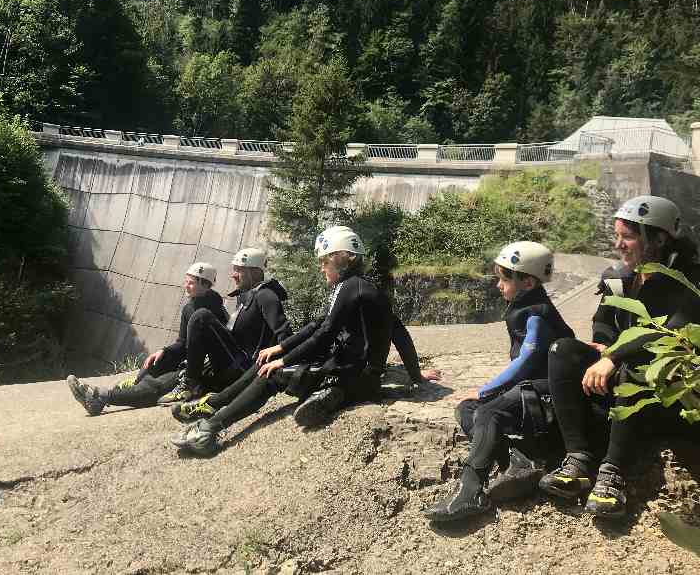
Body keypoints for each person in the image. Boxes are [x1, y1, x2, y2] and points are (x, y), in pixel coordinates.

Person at [539, 195, 700, 518]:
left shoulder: (690, 279)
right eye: (617, 236)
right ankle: (579, 461)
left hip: (670, 389)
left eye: (627, 237)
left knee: (635, 362)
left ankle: (613, 475)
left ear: (659, 238)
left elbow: (671, 331)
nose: (619, 245)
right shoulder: (621, 276)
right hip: (625, 375)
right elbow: (603, 318)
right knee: (562, 352)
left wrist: (613, 356)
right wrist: (601, 344)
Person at [172, 226, 394, 457]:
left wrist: (283, 360)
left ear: (338, 258)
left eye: (324, 262)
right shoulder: (367, 286)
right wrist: (279, 349)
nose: (321, 268)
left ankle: (208, 429)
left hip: (352, 373)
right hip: (361, 373)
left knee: (273, 374)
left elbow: (324, 334)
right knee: (271, 361)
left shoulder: (347, 287)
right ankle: (331, 393)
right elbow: (396, 333)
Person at [424, 241, 574, 522]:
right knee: (466, 408)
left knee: (487, 409)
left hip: (548, 394)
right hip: (531, 392)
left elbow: (525, 362)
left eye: (504, 279)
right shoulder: (526, 306)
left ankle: (470, 492)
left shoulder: (537, 314)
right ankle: (519, 459)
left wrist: (486, 390)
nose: (498, 286)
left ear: (527, 282)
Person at [67, 262, 229, 415]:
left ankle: (100, 397)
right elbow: (183, 342)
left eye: (191, 283)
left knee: (158, 385)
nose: (186, 286)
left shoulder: (215, 311)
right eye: (186, 281)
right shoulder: (189, 307)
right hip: (188, 359)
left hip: (201, 368)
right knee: (156, 362)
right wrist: (163, 351)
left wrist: (190, 371)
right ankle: (136, 384)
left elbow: (216, 348)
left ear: (206, 285)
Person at [161, 248, 292, 406]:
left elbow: (285, 334)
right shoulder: (245, 295)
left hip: (243, 369)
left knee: (201, 316)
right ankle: (191, 382)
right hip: (233, 362)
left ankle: (190, 385)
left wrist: (281, 364)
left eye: (238, 270)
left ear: (254, 272)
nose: (233, 275)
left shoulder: (266, 295)